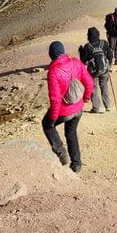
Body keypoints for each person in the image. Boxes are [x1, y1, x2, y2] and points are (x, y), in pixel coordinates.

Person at [41, 40, 94, 172]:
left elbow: (55, 99)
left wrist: (53, 118)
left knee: (47, 125)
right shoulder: (76, 62)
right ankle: (76, 164)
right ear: (63, 51)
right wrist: (86, 99)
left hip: (65, 112)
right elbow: (89, 83)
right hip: (78, 108)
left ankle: (62, 154)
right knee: (71, 133)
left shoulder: (53, 72)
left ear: (51, 55)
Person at [78, 26, 113, 113]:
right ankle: (107, 105)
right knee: (104, 86)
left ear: (89, 36)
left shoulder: (87, 46)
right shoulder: (104, 43)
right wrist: (109, 64)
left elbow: (83, 60)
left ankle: (97, 108)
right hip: (104, 69)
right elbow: (110, 54)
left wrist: (81, 52)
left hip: (93, 72)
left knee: (94, 87)